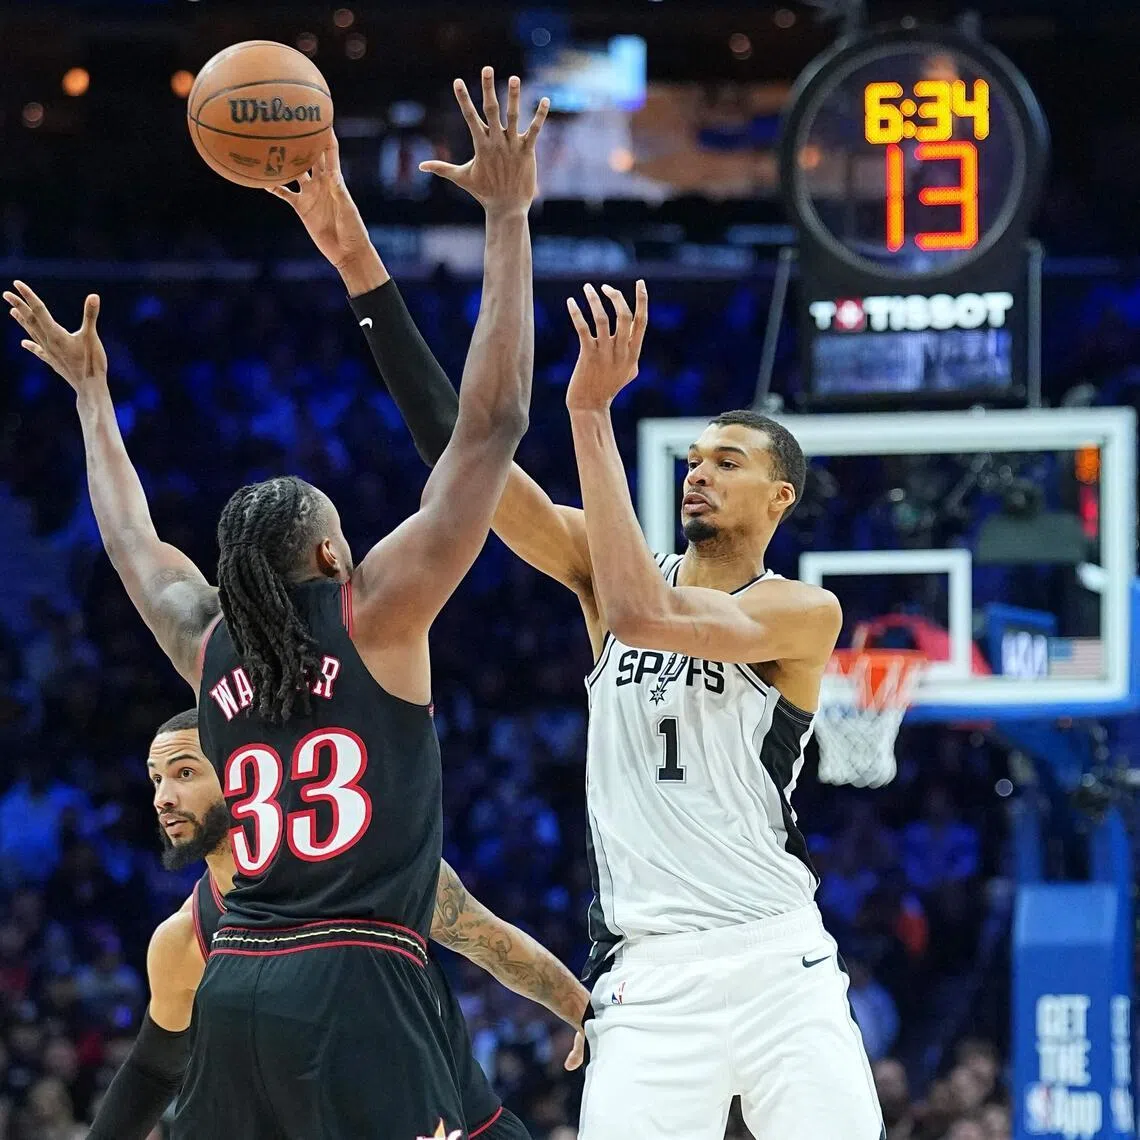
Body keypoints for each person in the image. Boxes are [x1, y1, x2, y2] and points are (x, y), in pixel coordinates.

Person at [277, 170, 881, 1135]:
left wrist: (591, 417)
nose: (699, 473)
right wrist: (360, 265)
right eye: (693, 458)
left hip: (779, 964)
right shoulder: (608, 575)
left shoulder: (801, 612)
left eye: (729, 462)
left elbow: (649, 617)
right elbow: (464, 452)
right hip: (648, 975)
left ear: (780, 501)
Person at [7, 65, 549, 1139]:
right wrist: (506, 219)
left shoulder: (209, 644)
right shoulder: (380, 613)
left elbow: (132, 543)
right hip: (358, 983)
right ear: (333, 550)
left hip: (240, 980)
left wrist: (92, 397)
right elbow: (486, 426)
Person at [88, 708, 588, 1140]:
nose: (164, 798)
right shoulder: (186, 937)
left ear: (242, 769)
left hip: (464, 1123)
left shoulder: (368, 863)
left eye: (185, 773)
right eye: (156, 779)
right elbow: (153, 1070)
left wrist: (587, 1016)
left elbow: (490, 941)